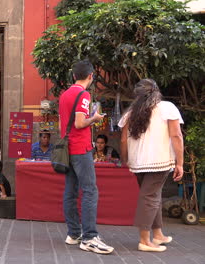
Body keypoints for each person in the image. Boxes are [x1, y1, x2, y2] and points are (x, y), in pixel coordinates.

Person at [118, 79, 183, 252]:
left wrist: (126, 160)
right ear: (156, 91)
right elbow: (176, 135)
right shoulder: (167, 107)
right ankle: (145, 241)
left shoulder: (131, 113)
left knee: (152, 196)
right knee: (150, 198)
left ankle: (158, 234)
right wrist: (180, 163)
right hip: (159, 161)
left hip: (138, 163)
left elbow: (123, 140)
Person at [58, 60, 114, 254]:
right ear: (90, 76)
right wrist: (96, 119)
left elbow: (62, 125)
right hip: (81, 149)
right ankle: (89, 237)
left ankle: (73, 234)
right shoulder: (84, 94)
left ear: (74, 76)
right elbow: (81, 123)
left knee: (70, 192)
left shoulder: (64, 95)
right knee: (90, 191)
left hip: (68, 149)